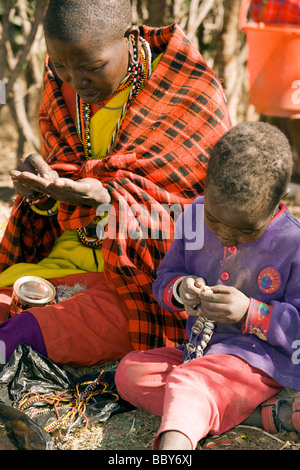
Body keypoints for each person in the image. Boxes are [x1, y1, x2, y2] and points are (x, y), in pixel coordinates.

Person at [0, 0, 231, 367]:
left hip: (143, 281)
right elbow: (63, 181)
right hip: (64, 258)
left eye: (91, 69)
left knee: (19, 335)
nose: (76, 82)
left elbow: (209, 224)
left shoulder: (189, 91)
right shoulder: (62, 86)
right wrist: (43, 193)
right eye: (61, 66)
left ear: (130, 38)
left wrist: (109, 199)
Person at [115, 121, 300, 450]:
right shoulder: (194, 214)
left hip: (259, 364)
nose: (225, 235)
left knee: (189, 382)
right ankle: (265, 416)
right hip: (197, 354)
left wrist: (249, 311)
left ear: (278, 200)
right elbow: (167, 275)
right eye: (214, 220)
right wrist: (180, 288)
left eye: (245, 230)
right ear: (206, 185)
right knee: (130, 372)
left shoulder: (293, 244)